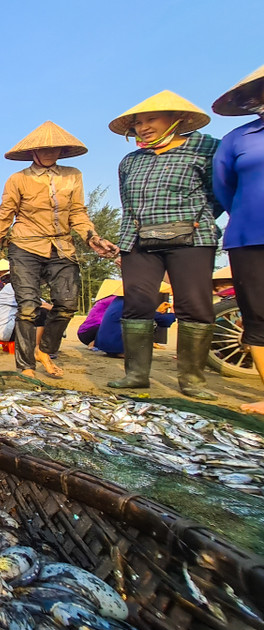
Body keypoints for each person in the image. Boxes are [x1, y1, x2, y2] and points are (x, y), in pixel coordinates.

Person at [107, 91, 223, 399]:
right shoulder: (131, 162)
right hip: (140, 240)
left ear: (177, 119)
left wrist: (200, 219)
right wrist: (124, 245)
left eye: (151, 120)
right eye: (138, 123)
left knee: (194, 306)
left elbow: (220, 192)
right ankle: (135, 375)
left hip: (193, 237)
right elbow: (128, 206)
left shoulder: (206, 148)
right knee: (137, 303)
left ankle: (192, 380)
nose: (143, 128)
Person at [0, 121, 119, 380]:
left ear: (62, 151)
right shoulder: (18, 179)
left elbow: (78, 213)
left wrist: (91, 237)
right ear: (33, 152)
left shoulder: (73, 175)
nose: (49, 153)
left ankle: (44, 350)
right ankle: (25, 366)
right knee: (27, 307)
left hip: (62, 246)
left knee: (67, 304)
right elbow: (4, 215)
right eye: (43, 149)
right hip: (25, 246)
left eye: (54, 149)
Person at [213, 63, 264, 414]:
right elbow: (223, 188)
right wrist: (246, 212)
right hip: (249, 233)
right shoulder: (238, 139)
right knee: (258, 315)